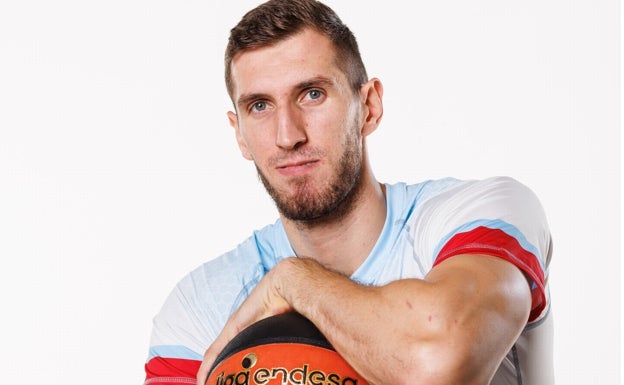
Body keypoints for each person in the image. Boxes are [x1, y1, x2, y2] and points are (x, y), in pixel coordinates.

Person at [144, 0, 554, 384]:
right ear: (240, 136)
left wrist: (294, 281)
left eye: (312, 94)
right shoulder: (198, 309)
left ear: (369, 106)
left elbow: (438, 363)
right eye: (260, 106)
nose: (288, 136)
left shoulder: (482, 213)